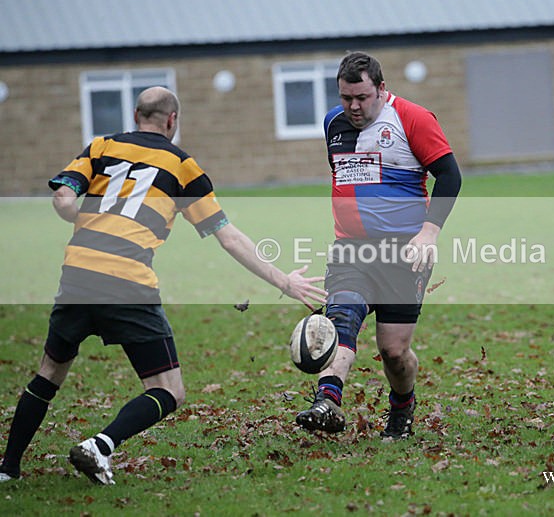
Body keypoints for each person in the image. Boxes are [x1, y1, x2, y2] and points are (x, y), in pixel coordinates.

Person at [0, 87, 327, 484]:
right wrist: (284, 281)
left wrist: (78, 214)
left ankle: (8, 468)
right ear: (172, 120)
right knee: (169, 390)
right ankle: (100, 445)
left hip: (77, 276)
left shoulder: (101, 146)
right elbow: (228, 237)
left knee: (49, 373)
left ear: (135, 114)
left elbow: (63, 199)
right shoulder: (181, 165)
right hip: (127, 283)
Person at [295, 52, 462, 439]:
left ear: (382, 89)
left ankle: (402, 409)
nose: (353, 107)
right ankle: (327, 402)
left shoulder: (413, 119)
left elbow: (450, 176)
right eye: (345, 98)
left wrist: (429, 232)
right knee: (343, 317)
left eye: (362, 97)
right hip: (351, 249)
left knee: (394, 351)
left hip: (405, 253)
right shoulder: (333, 124)